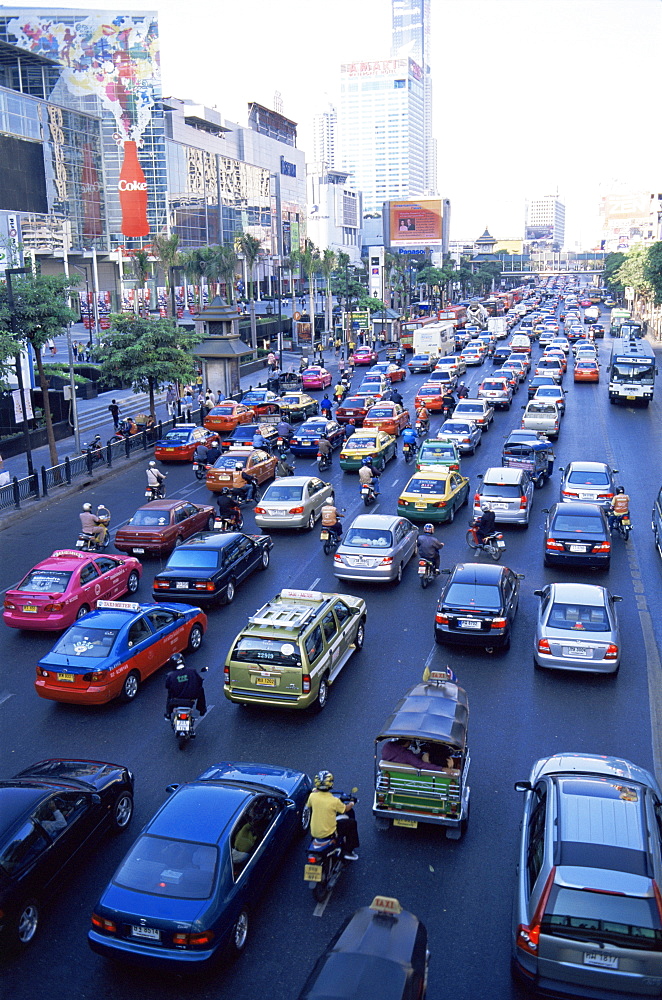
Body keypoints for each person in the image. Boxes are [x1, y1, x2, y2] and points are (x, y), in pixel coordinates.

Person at [306, 771, 359, 862]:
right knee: (352, 823)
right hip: (329, 832)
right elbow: (345, 809)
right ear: (330, 784)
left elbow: (309, 805)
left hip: (315, 833)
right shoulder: (334, 801)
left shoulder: (312, 797)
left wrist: (316, 790)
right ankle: (348, 850)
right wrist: (352, 803)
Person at [164, 653, 207, 719]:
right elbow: (200, 682)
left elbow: (167, 686)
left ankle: (168, 714)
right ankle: (202, 710)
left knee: (169, 694)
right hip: (191, 700)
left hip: (176, 701)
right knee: (201, 690)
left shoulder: (170, 676)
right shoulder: (192, 671)